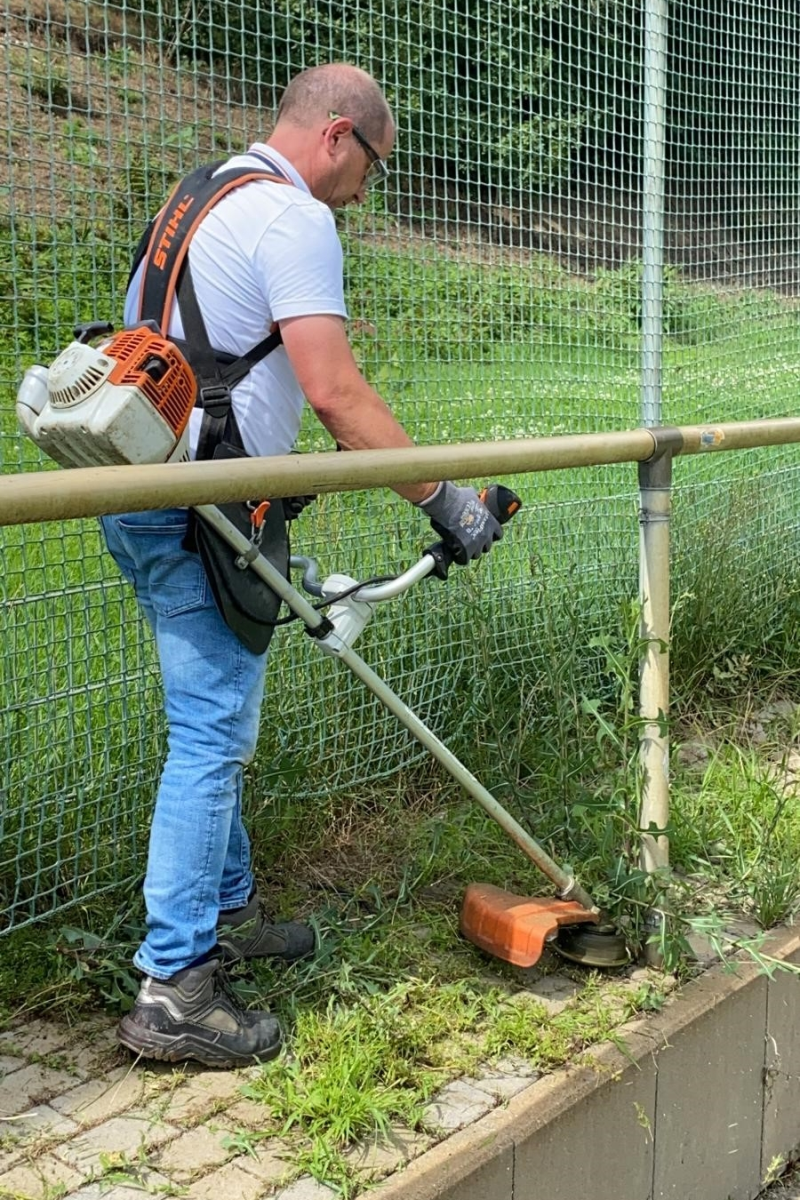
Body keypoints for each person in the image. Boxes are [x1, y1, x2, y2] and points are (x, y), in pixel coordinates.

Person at [101, 62, 502, 1069]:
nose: (369, 190)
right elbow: (335, 390)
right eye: (373, 164)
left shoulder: (201, 193)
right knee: (210, 737)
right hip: (197, 507)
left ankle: (223, 916)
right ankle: (174, 986)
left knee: (215, 713)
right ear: (335, 136)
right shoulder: (292, 219)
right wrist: (444, 500)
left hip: (144, 489)